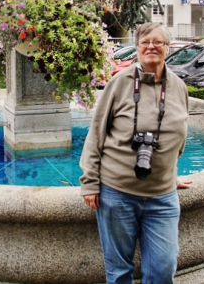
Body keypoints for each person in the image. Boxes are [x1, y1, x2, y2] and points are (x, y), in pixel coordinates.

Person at [80, 22, 191, 284]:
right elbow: (96, 133)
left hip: (162, 197)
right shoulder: (119, 83)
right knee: (119, 272)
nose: (151, 46)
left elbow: (178, 138)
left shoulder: (178, 87)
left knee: (164, 268)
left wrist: (171, 175)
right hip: (117, 194)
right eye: (144, 42)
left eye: (158, 42)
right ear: (137, 47)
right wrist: (89, 182)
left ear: (167, 48)